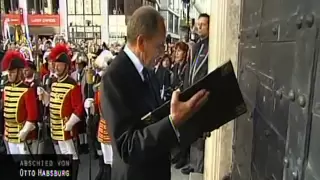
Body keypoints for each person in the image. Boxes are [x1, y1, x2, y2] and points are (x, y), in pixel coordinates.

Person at [100, 6, 209, 180]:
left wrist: (191, 123)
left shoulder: (147, 71)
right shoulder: (113, 78)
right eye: (159, 46)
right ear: (141, 42)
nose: (163, 53)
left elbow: (154, 121)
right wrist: (174, 121)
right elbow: (128, 147)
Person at [37, 44, 84, 180]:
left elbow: (78, 108)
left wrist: (70, 123)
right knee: (62, 157)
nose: (56, 67)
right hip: (55, 127)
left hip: (67, 129)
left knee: (71, 156)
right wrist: (44, 95)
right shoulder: (54, 82)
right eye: (54, 64)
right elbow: (52, 103)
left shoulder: (72, 84)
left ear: (66, 66)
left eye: (59, 64)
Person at [182, 13, 210, 175]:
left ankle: (198, 166)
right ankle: (193, 163)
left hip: (202, 94)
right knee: (192, 129)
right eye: (198, 24)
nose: (198, 27)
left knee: (199, 133)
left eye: (203, 24)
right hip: (192, 92)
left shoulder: (210, 46)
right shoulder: (197, 45)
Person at [1, 50, 39, 154]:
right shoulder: (6, 87)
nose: (10, 75)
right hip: (9, 133)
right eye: (9, 72)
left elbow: (32, 115)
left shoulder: (27, 90)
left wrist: (25, 130)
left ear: (19, 73)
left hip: (23, 133)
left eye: (12, 72)